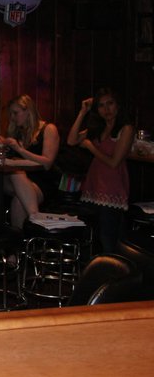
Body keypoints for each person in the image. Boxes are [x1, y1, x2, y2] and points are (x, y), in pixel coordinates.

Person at [67, 88, 134, 253]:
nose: (107, 109)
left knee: (108, 238)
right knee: (92, 237)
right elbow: (71, 140)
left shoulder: (126, 129)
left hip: (112, 188)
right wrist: (83, 112)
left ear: (117, 105)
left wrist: (91, 147)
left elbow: (114, 162)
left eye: (110, 104)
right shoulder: (98, 127)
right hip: (94, 185)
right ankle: (96, 274)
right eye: (102, 106)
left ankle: (114, 274)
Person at [0, 95, 60, 229]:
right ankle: (35, 219)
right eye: (11, 114)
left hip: (41, 181)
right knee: (15, 173)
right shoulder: (16, 131)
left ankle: (20, 242)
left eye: (15, 113)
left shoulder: (48, 129)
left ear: (28, 111)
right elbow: (3, 163)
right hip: (16, 181)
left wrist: (20, 150)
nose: (12, 118)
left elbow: (47, 163)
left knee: (19, 200)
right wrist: (1, 150)